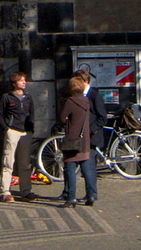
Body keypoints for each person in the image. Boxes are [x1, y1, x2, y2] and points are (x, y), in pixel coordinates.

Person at [57, 76, 96, 208]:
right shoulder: (86, 101)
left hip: (72, 140)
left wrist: (67, 119)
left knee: (70, 168)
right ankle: (91, 194)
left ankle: (71, 197)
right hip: (84, 139)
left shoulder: (70, 101)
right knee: (87, 169)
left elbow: (62, 118)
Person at [0, 71, 36, 202]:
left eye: (24, 80)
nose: (24, 82)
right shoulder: (7, 97)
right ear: (14, 83)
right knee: (8, 161)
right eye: (21, 80)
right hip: (12, 131)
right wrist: (6, 128)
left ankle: (26, 191)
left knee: (25, 164)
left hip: (26, 132)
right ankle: (5, 191)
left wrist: (31, 127)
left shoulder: (28, 97)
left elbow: (32, 113)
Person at [73, 67, 109, 152]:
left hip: (92, 138)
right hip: (81, 137)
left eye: (78, 82)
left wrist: (90, 129)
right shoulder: (77, 95)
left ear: (85, 82)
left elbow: (103, 117)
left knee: (89, 163)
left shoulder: (95, 96)